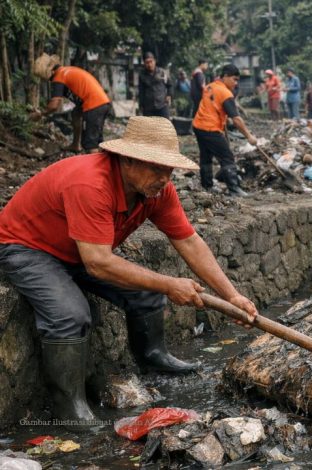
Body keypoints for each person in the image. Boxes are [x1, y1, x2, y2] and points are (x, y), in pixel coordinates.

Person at [0, 116, 259, 425]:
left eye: (169, 170)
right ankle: (70, 409)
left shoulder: (156, 190)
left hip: (79, 249)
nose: (165, 178)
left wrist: (232, 297)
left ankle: (154, 360)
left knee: (146, 290)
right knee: (70, 314)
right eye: (156, 168)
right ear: (127, 159)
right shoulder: (91, 183)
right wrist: (168, 284)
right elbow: (98, 262)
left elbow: (189, 241)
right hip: (26, 247)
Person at [192, 64, 258, 197]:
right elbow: (237, 120)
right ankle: (234, 189)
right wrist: (249, 136)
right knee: (227, 157)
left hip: (198, 125)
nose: (236, 83)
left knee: (206, 156)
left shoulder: (210, 86)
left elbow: (212, 105)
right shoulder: (226, 93)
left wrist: (222, 118)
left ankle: (207, 186)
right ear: (225, 76)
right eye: (234, 79)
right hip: (210, 129)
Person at [31, 53, 111, 154]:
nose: (49, 81)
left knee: (90, 143)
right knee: (76, 114)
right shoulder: (67, 71)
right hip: (102, 103)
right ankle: (75, 145)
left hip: (94, 106)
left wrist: (40, 114)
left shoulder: (59, 77)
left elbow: (54, 106)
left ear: (50, 72)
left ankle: (94, 167)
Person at [138, 52, 173, 118]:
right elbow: (141, 91)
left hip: (162, 105)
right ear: (144, 63)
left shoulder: (162, 72)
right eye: (147, 62)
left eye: (151, 61)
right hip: (148, 107)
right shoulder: (142, 75)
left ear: (154, 61)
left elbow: (170, 85)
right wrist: (141, 106)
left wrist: (169, 95)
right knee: (150, 127)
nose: (149, 64)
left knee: (165, 126)